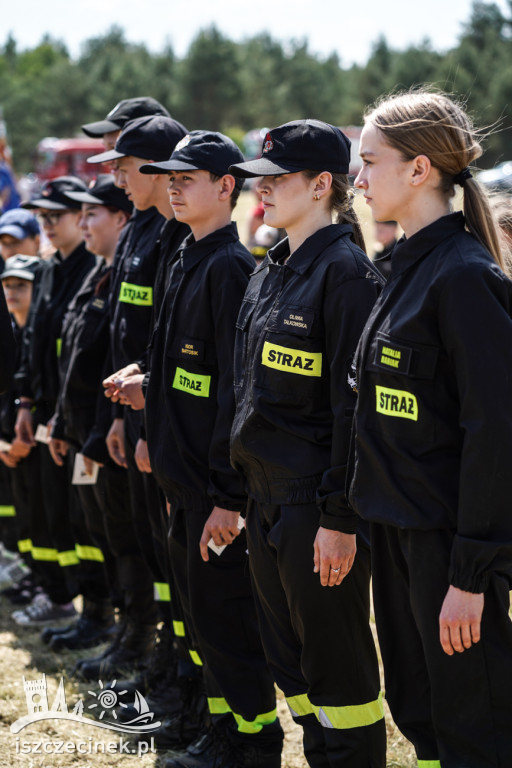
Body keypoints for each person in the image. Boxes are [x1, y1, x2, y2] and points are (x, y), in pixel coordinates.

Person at [349, 89, 512, 768]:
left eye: (368, 161)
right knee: (418, 711)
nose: (357, 178)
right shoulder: (397, 269)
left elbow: (496, 432)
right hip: (394, 536)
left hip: (446, 552)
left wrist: (470, 576)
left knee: (472, 723)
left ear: (419, 171)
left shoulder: (466, 278)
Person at [113, 131, 283, 768]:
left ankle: (254, 744)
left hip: (213, 493)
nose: (176, 185)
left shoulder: (232, 269)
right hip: (181, 482)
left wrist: (225, 496)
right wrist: (147, 387)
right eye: (171, 177)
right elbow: (188, 371)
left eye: (190, 177)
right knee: (203, 620)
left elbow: (234, 394)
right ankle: (221, 732)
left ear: (227, 187)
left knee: (230, 625)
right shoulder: (185, 255)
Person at [228, 120, 386, 768]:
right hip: (264, 498)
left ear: (323, 185)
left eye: (277, 178)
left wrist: (337, 520)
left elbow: (353, 414)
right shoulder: (275, 270)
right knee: (289, 663)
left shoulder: (346, 274)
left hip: (312, 512)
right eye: (259, 177)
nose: (261, 189)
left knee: (338, 673)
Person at [13, 176, 97, 626]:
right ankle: (59, 596)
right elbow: (31, 344)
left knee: (83, 519)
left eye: (55, 216)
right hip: (44, 416)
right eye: (41, 216)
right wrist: (25, 402)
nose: (47, 224)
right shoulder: (45, 270)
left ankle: (97, 608)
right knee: (49, 513)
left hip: (76, 422)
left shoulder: (92, 268)